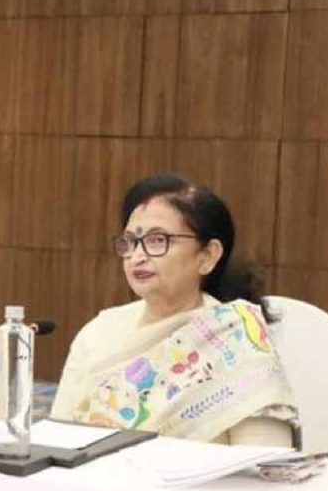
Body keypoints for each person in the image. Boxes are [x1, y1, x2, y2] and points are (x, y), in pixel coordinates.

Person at [50, 174, 298, 447]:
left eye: (158, 240)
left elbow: (266, 460)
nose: (137, 256)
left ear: (208, 256)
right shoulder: (99, 332)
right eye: (130, 241)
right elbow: (57, 442)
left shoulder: (237, 339)